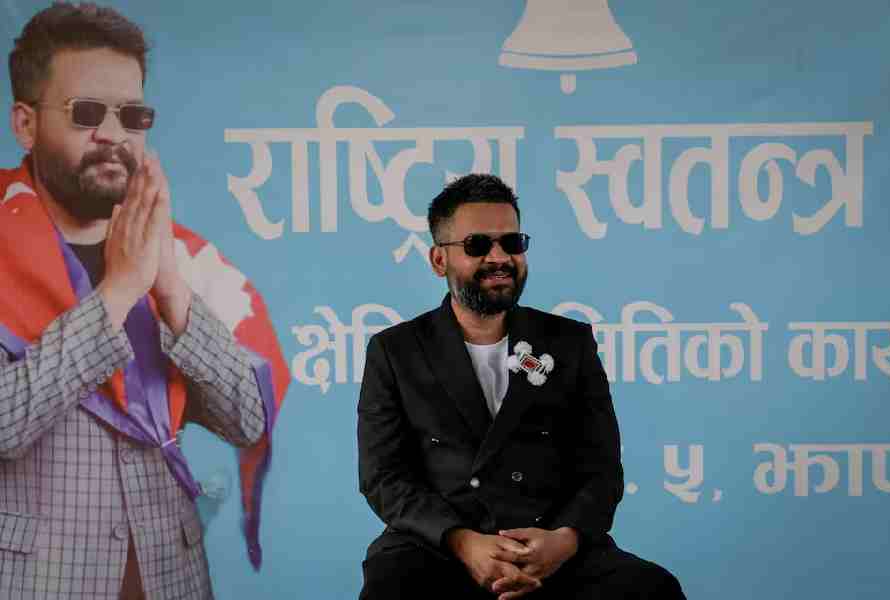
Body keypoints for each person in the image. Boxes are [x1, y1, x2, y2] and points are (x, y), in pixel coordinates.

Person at [0, 4, 288, 599]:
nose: (113, 134)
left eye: (132, 115)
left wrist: (170, 289)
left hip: (171, 580)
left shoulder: (173, 253)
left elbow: (248, 420)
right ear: (25, 125)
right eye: (85, 113)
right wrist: (118, 291)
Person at [357, 174, 685, 599]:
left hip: (550, 545)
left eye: (511, 243)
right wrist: (463, 542)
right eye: (477, 245)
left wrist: (562, 542)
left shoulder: (569, 343)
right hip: (440, 547)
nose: (499, 257)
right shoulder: (395, 351)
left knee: (652, 589)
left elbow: (601, 469)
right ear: (439, 260)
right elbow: (384, 476)